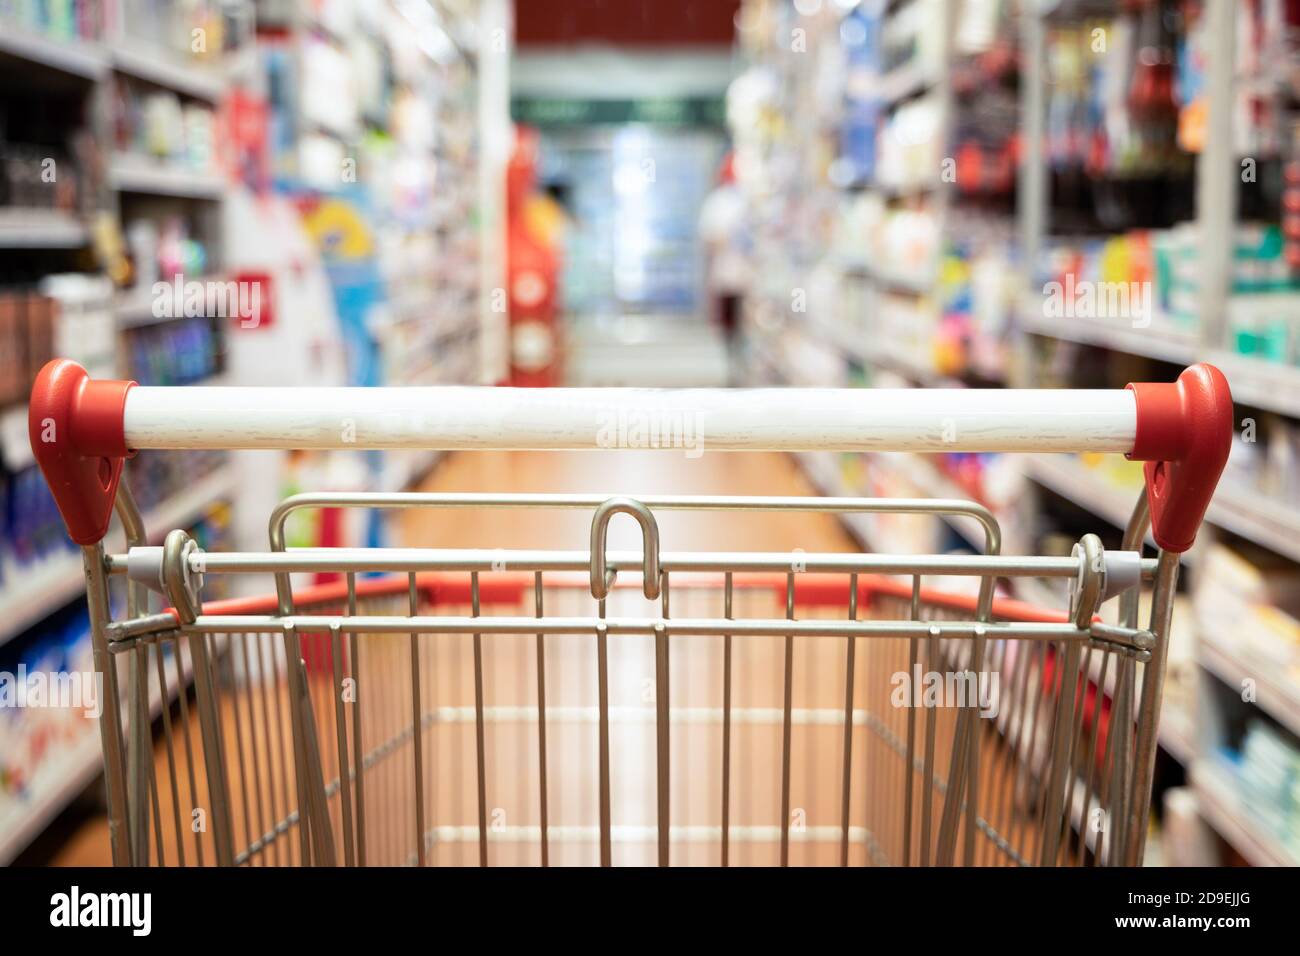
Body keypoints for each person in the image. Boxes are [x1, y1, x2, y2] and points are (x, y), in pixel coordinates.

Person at [698, 152, 751, 384]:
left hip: (745, 272)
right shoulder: (721, 201)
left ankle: (739, 363)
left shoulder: (745, 199)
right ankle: (733, 365)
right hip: (730, 270)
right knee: (732, 320)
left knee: (742, 319)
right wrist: (731, 240)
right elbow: (710, 236)